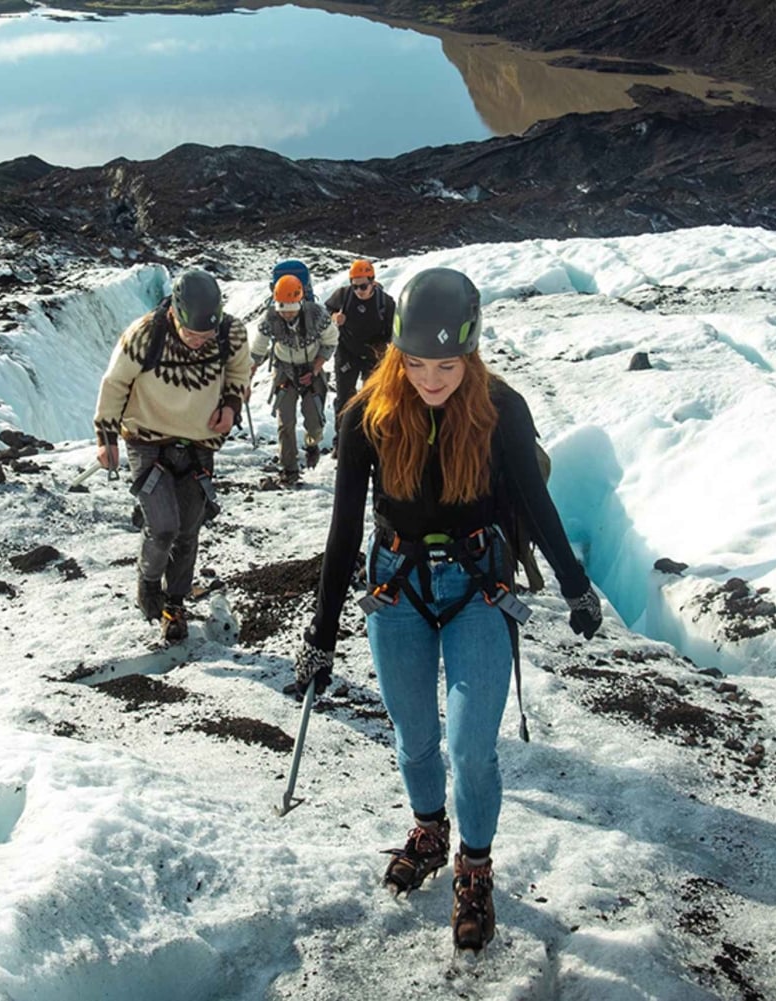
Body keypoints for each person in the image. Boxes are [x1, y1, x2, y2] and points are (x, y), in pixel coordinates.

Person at [292, 267, 604, 955]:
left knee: (470, 747)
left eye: (448, 364)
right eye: (418, 363)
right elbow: (343, 530)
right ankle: (430, 831)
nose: (431, 378)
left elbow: (537, 502)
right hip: (395, 591)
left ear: (472, 351)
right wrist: (321, 635)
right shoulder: (365, 413)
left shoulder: (501, 410)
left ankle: (475, 866)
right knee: (414, 736)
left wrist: (576, 584)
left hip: (477, 591)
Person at [93, 269, 251, 642]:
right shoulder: (145, 335)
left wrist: (230, 407)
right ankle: (149, 582)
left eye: (205, 336)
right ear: (176, 315)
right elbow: (115, 383)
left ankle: (174, 604)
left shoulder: (232, 333)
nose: (198, 343)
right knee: (163, 526)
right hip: (148, 439)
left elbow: (238, 376)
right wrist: (106, 437)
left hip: (199, 443)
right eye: (191, 334)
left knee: (188, 531)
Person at [249, 273, 337, 486]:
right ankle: (289, 469)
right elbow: (258, 349)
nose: (287, 314)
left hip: (311, 367)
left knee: (314, 421)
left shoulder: (317, 315)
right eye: (283, 309)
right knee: (285, 421)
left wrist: (316, 368)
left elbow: (331, 341)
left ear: (300, 302)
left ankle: (311, 444)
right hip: (284, 371)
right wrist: (248, 374)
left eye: (291, 309)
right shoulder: (269, 319)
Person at [323, 258, 395, 453]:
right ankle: (342, 441)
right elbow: (327, 309)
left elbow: (393, 332)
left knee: (372, 398)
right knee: (345, 397)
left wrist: (382, 347)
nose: (359, 291)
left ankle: (370, 440)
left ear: (373, 282)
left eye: (363, 286)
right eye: (355, 286)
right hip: (347, 352)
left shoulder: (385, 303)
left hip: (373, 355)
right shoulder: (343, 296)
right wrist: (334, 317)